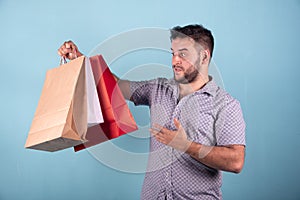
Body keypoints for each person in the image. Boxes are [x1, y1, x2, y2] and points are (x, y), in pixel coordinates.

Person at [58, 24, 246, 200]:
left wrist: (186, 146)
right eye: (172, 54)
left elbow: (236, 161)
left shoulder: (225, 104)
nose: (175, 61)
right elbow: (115, 86)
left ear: (204, 57)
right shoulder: (157, 88)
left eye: (183, 54)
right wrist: (80, 58)